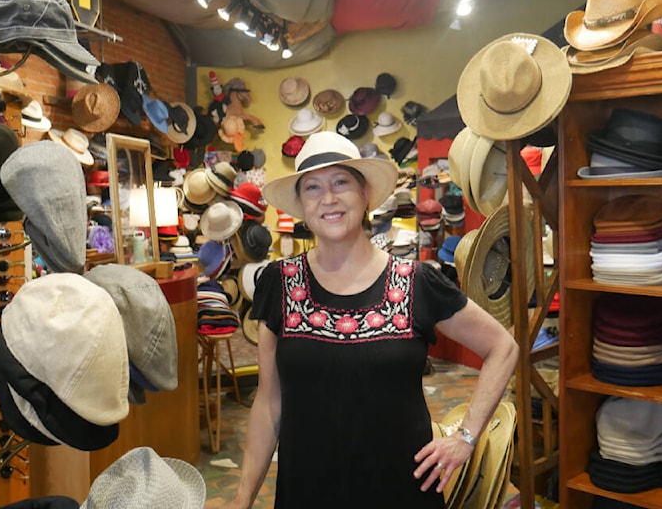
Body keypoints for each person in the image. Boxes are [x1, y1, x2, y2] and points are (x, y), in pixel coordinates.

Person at [212, 131, 519, 509]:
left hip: (402, 491)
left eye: (341, 182)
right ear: (301, 206)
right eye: (312, 188)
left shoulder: (416, 283)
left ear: (365, 194)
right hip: (308, 490)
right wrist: (242, 499)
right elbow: (269, 402)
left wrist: (466, 438)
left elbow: (503, 347)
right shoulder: (278, 283)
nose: (328, 198)